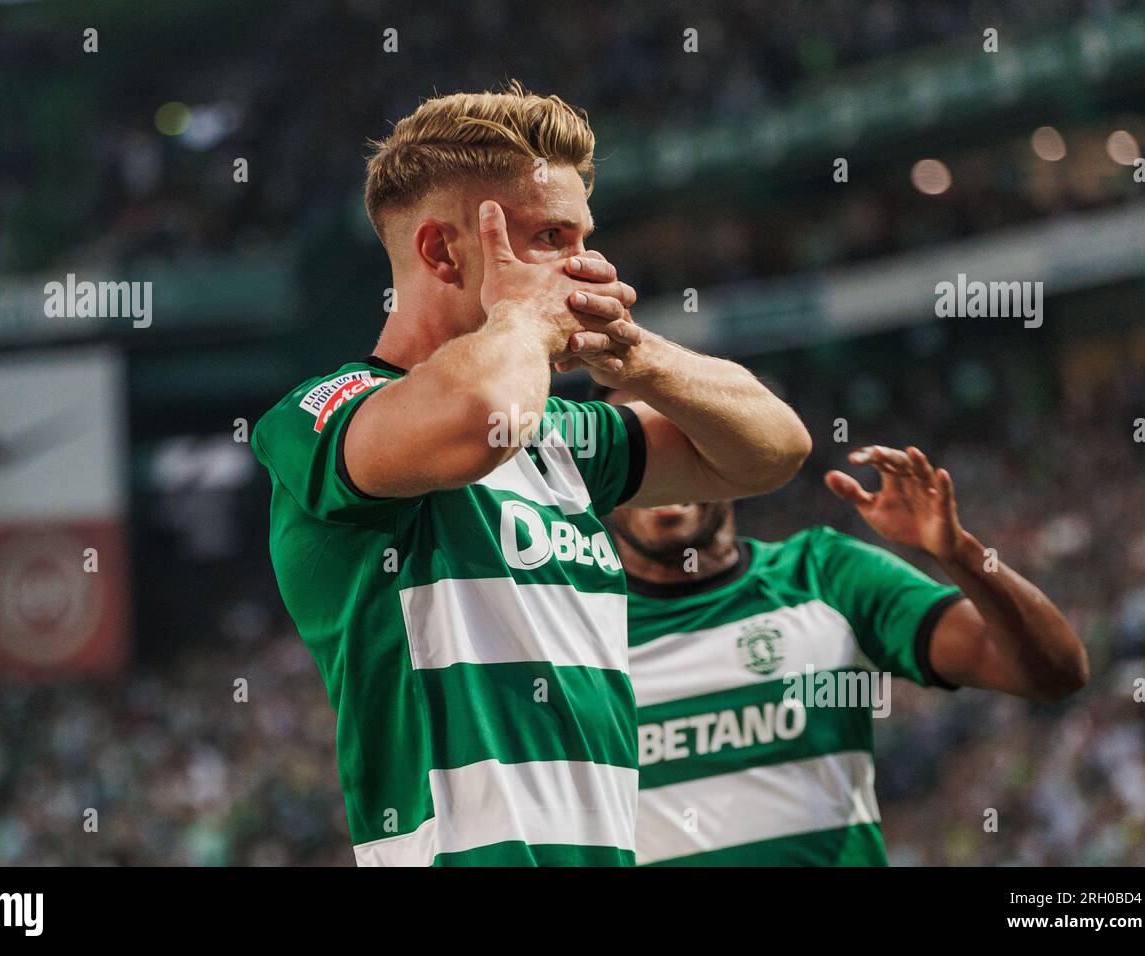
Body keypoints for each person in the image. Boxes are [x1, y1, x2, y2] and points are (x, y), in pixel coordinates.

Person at [250, 83, 811, 866]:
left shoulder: (563, 438)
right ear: (443, 252)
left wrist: (639, 357)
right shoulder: (322, 416)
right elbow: (481, 416)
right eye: (551, 237)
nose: (586, 265)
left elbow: (771, 448)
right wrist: (523, 319)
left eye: (584, 235)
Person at [601, 383, 1088, 865]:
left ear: (726, 455)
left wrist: (961, 554)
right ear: (602, 476)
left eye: (681, 442)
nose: (660, 470)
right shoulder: (577, 621)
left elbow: (1053, 673)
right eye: (637, 451)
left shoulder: (826, 574)